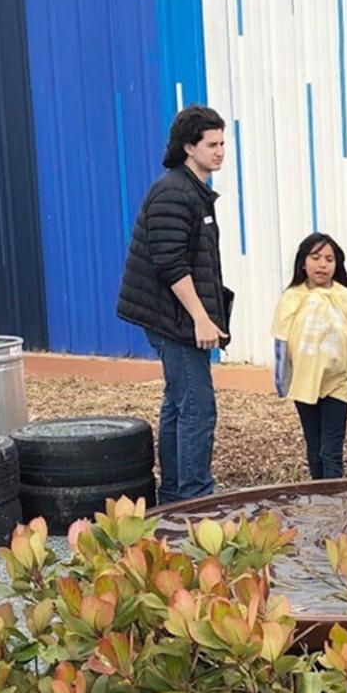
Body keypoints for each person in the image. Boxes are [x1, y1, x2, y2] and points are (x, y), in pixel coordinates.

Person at [116, 105, 231, 504]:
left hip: (178, 314)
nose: (220, 151)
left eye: (222, 143)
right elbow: (170, 263)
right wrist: (200, 318)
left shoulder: (192, 191)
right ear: (188, 147)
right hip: (174, 317)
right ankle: (195, 500)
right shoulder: (173, 192)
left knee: (179, 403)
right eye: (211, 144)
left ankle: (175, 497)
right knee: (198, 407)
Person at [271, 232, 347, 480]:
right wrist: (283, 384)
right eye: (316, 257)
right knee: (314, 449)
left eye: (329, 259)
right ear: (303, 262)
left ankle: (333, 503)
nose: (322, 264)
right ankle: (318, 501)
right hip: (304, 382)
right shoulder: (291, 298)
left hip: (338, 383)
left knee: (330, 450)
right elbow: (281, 344)